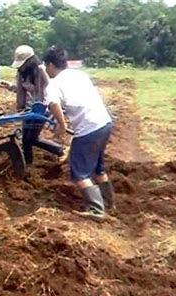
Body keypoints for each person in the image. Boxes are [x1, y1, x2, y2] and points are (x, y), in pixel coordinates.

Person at [44, 46, 114, 221]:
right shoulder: (80, 75)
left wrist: (61, 124)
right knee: (98, 167)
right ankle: (109, 202)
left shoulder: (54, 83)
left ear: (51, 65)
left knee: (79, 172)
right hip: (104, 123)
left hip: (88, 129)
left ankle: (97, 211)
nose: (46, 70)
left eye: (46, 66)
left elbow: (53, 104)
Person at [12, 45, 64, 165]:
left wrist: (39, 108)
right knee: (26, 140)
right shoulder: (21, 73)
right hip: (28, 109)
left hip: (43, 107)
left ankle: (59, 150)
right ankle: (27, 164)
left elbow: (46, 91)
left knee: (32, 139)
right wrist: (21, 109)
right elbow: (21, 92)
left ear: (30, 60)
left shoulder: (41, 70)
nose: (22, 66)